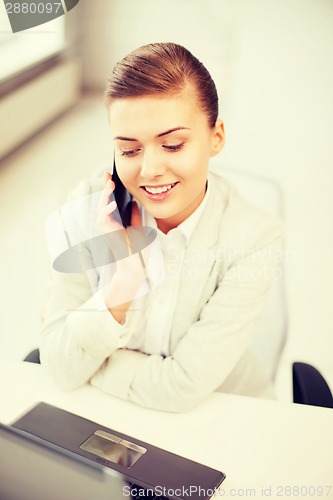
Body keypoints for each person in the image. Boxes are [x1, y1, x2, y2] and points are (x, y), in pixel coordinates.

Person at [40, 42, 283, 412]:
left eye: (172, 145)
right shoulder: (88, 208)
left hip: (221, 415)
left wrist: (95, 367)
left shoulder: (254, 238)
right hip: (108, 414)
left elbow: (182, 388)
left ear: (216, 137)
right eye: (130, 149)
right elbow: (58, 367)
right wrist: (123, 283)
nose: (150, 170)